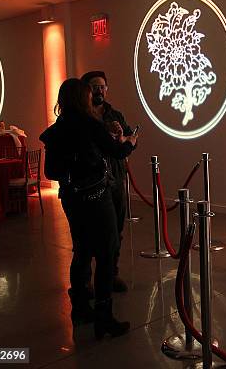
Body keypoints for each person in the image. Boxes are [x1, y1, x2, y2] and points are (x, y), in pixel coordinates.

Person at [39, 78, 137, 338]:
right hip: (96, 197)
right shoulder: (90, 125)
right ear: (83, 98)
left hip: (71, 199)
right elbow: (117, 152)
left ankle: (80, 309)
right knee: (106, 252)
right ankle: (104, 318)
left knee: (81, 250)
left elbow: (51, 171)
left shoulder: (58, 129)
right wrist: (130, 142)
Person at [80, 71, 133, 293]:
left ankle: (112, 273)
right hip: (92, 183)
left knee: (115, 231)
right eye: (94, 87)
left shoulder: (115, 115)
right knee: (88, 233)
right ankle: (85, 281)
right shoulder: (82, 117)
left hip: (115, 179)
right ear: (86, 90)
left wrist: (124, 139)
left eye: (102, 86)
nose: (99, 90)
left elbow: (129, 138)